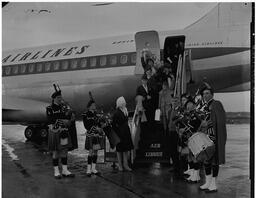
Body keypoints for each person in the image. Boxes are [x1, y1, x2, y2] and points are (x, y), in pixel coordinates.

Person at [199, 84, 227, 193]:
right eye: (203, 94)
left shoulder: (217, 104)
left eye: (207, 93)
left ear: (212, 94)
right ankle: (208, 182)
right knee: (206, 160)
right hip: (206, 137)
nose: (205, 95)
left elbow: (220, 121)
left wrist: (208, 123)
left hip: (214, 137)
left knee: (214, 161)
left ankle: (214, 184)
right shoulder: (204, 106)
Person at [46, 88, 75, 179]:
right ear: (54, 98)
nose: (60, 99)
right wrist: (62, 121)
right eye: (58, 97)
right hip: (55, 132)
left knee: (64, 151)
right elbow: (51, 122)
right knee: (55, 152)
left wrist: (70, 114)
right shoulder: (49, 108)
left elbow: (68, 118)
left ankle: (65, 171)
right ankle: (56, 171)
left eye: (61, 97)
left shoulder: (63, 107)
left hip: (63, 132)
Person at [82, 99, 105, 177]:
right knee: (91, 152)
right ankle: (88, 169)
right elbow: (86, 125)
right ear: (90, 106)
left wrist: (102, 125)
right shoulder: (85, 114)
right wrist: (96, 129)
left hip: (96, 135)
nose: (95, 106)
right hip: (91, 135)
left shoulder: (96, 114)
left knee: (96, 152)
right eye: (94, 105)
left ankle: (93, 169)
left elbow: (98, 123)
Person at [112, 96, 134, 171]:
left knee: (126, 149)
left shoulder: (125, 110)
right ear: (121, 103)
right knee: (119, 150)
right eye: (124, 102)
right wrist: (117, 133)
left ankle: (125, 165)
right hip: (120, 134)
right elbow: (113, 124)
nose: (125, 103)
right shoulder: (117, 112)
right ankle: (120, 166)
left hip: (126, 132)